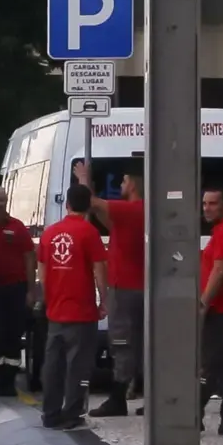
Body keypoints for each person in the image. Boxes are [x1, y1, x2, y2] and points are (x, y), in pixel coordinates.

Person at [73, 159, 146, 417]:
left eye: (124, 180)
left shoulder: (133, 209)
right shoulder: (137, 213)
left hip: (125, 288)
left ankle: (118, 398)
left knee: (122, 342)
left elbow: (91, 203)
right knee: (143, 343)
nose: (120, 184)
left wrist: (84, 179)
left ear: (134, 185)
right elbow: (104, 216)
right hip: (137, 287)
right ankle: (152, 397)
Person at [37, 183, 108, 430]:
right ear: (88, 206)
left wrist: (49, 298)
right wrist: (104, 300)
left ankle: (50, 413)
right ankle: (71, 415)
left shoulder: (49, 234)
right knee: (77, 366)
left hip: (56, 311)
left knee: (53, 365)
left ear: (66, 204)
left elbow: (43, 273)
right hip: (82, 311)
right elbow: (99, 270)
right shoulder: (89, 233)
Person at [0, 185, 37, 397]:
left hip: (15, 289)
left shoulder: (17, 227)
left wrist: (31, 291)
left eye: (0, 200)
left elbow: (29, 258)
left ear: (6, 202)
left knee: (13, 336)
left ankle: (10, 380)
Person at [200, 186, 223, 435]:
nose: (206, 209)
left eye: (213, 204)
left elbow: (220, 269)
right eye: (204, 204)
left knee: (208, 366)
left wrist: (203, 303)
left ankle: (189, 416)